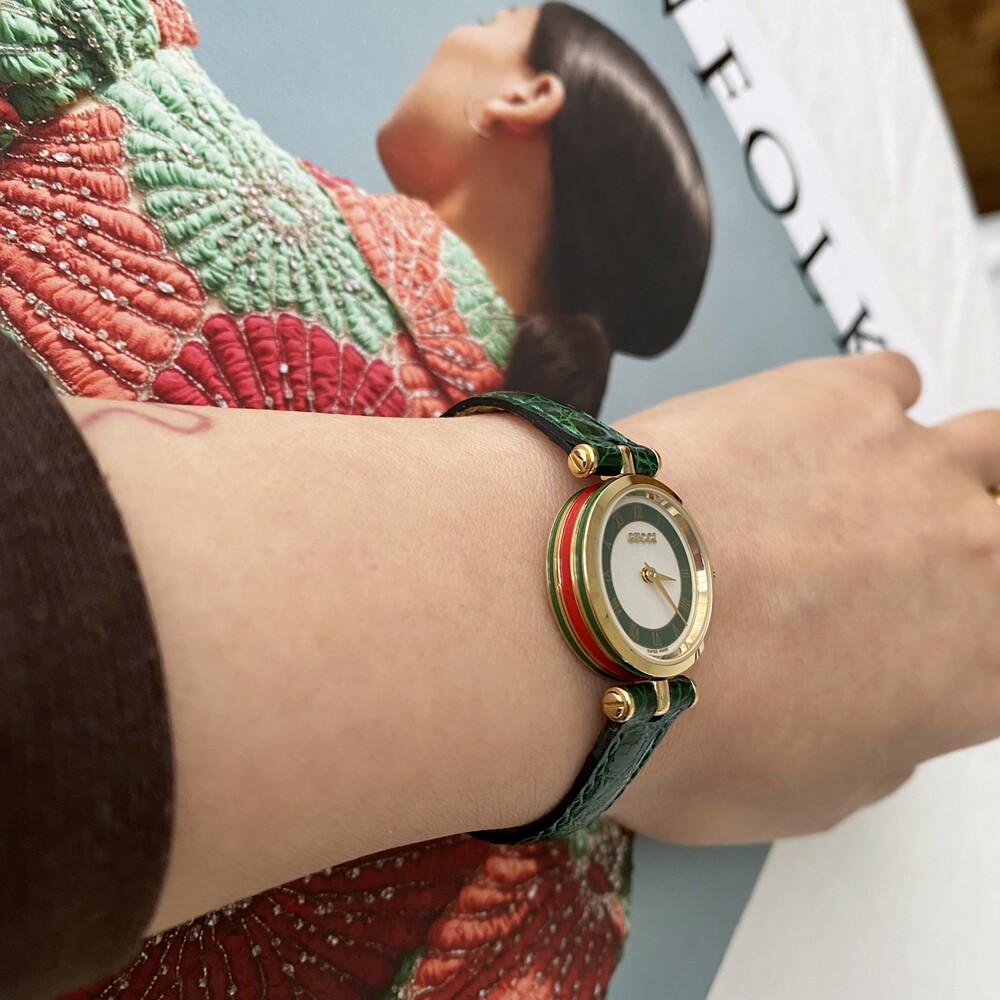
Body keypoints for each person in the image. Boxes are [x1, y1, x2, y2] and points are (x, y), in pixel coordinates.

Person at [2, 4, 999, 1000]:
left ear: (528, 96)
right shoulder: (562, 919)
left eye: (497, 16)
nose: (472, 26)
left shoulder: (138, 123)